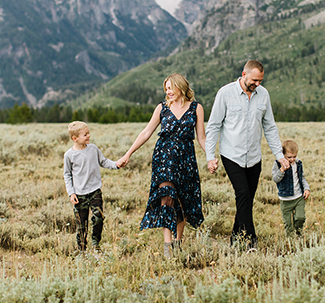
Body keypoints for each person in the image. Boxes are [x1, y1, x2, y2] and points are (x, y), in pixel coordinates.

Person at [117, 73, 207, 257]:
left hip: (186, 160)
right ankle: (168, 248)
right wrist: (128, 153)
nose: (167, 91)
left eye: (170, 88)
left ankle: (177, 242)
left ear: (180, 87)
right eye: (165, 88)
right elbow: (146, 132)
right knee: (167, 199)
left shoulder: (196, 108)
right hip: (164, 159)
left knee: (181, 201)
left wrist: (211, 157)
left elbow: (202, 137)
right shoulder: (162, 108)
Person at [206, 60, 289, 246]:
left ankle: (235, 239)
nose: (257, 84)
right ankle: (250, 241)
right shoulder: (225, 93)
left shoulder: (263, 95)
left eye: (260, 80)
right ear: (244, 74)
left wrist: (279, 155)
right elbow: (213, 125)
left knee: (248, 200)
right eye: (254, 80)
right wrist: (210, 156)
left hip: (254, 158)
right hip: (231, 156)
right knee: (242, 194)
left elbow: (269, 126)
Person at [63, 121, 120, 252]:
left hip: (95, 192)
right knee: (81, 224)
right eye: (85, 134)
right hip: (79, 195)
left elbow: (104, 161)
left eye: (88, 133)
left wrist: (116, 164)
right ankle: (81, 249)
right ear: (75, 138)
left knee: (98, 218)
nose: (89, 136)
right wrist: (71, 193)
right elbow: (67, 175)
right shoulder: (69, 155)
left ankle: (96, 244)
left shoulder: (93, 149)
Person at [272, 140, 310, 235]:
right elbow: (275, 179)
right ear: (283, 154)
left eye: (294, 157)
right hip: (285, 199)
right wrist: (282, 170)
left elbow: (302, 178)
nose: (292, 159)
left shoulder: (298, 164)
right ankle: (291, 242)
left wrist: (306, 188)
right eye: (289, 157)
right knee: (288, 224)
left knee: (300, 218)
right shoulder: (277, 164)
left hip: (298, 197)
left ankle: (298, 233)